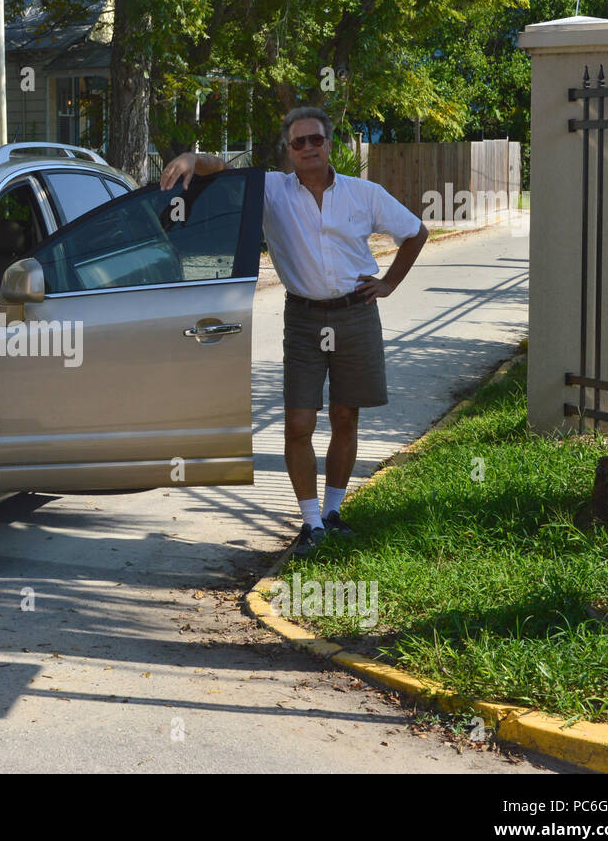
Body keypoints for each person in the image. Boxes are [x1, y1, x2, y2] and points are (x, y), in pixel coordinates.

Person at [160, 107, 429, 555]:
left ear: (329, 143)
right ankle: (310, 524)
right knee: (298, 423)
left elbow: (416, 233)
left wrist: (389, 283)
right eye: (298, 142)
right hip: (303, 319)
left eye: (315, 140)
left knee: (346, 417)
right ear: (288, 150)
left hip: (355, 314)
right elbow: (222, 169)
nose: (308, 148)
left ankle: (334, 513)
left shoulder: (364, 194)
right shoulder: (271, 191)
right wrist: (191, 157)